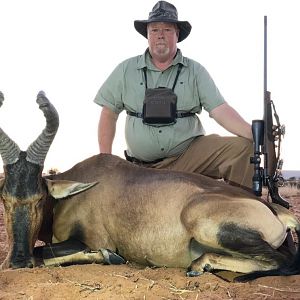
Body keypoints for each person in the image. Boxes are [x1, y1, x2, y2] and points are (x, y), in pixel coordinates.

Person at [94, 1, 254, 191]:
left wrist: (254, 134)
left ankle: (241, 207)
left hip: (188, 158)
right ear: (147, 34)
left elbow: (220, 110)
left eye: (167, 29)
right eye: (154, 29)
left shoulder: (195, 70)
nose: (160, 35)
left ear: (177, 34)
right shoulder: (125, 69)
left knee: (244, 147)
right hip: (140, 168)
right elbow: (109, 113)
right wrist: (105, 161)